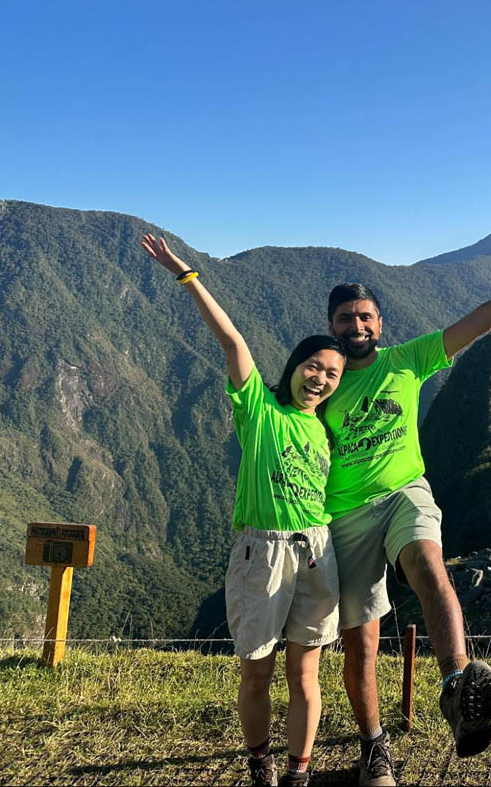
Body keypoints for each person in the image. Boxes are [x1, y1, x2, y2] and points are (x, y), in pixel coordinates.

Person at [324, 229, 491, 787]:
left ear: (380, 323)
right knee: (361, 639)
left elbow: (477, 323)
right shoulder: (322, 379)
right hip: (345, 512)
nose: (357, 326)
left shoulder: (407, 361)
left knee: (430, 567)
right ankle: (373, 747)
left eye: (365, 317)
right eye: (345, 319)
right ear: (331, 326)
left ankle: (457, 686)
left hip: (404, 493)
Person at [141, 234, 345, 787]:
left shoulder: (324, 429)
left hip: (317, 550)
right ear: (295, 366)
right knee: (256, 673)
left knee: (306, 676)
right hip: (264, 551)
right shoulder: (260, 410)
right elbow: (232, 340)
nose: (320, 378)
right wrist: (186, 275)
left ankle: (298, 772)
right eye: (313, 366)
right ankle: (261, 764)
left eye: (332, 374)